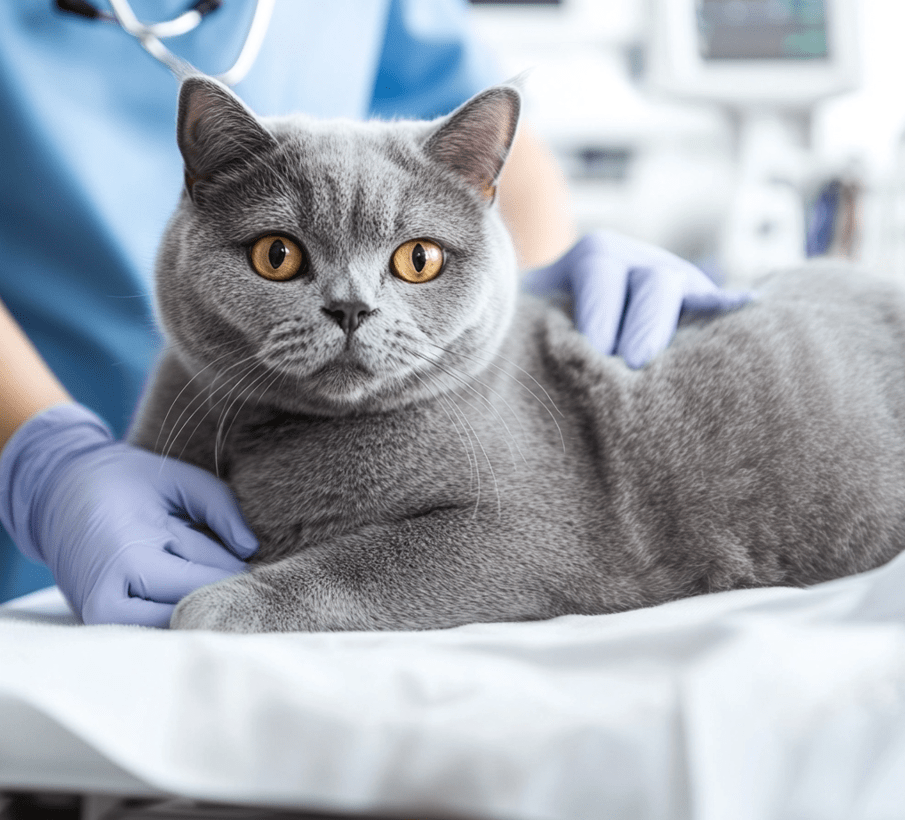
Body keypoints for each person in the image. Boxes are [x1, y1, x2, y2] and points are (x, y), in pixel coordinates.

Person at [0, 0, 744, 626]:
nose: (352, 305)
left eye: (415, 264)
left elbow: (482, 156)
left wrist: (531, 291)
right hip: (60, 438)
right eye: (277, 260)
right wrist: (44, 464)